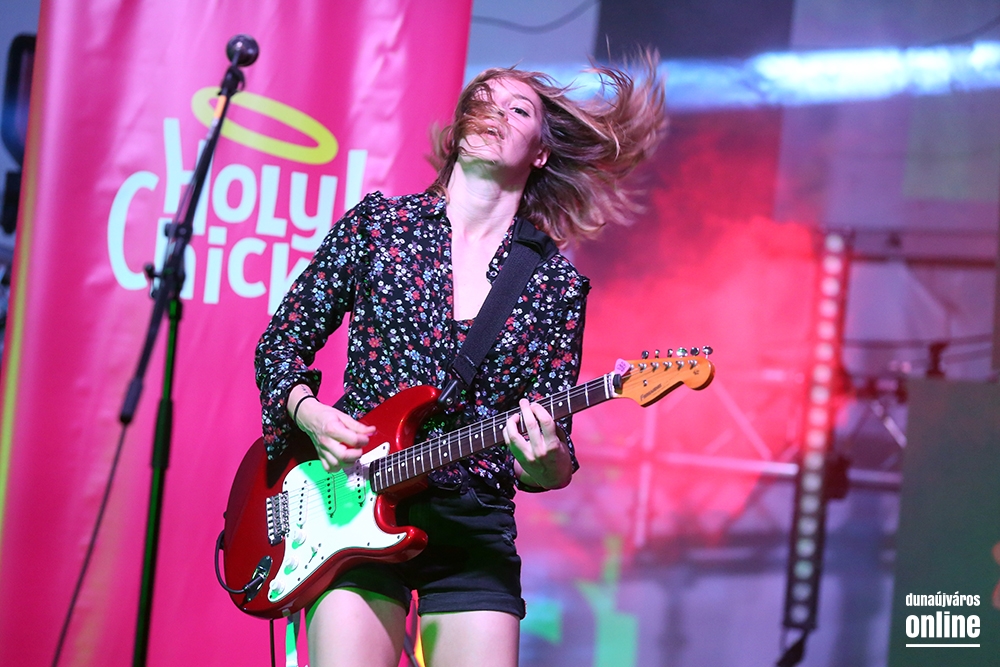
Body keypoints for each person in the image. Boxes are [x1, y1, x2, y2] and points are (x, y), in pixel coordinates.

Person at [255, 55, 666, 667]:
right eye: (483, 101)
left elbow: (549, 460)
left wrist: (546, 461)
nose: (494, 114)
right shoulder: (381, 228)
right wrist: (309, 413)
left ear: (540, 154)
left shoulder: (554, 284)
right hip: (349, 504)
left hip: (473, 525)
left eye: (517, 109)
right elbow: (280, 344)